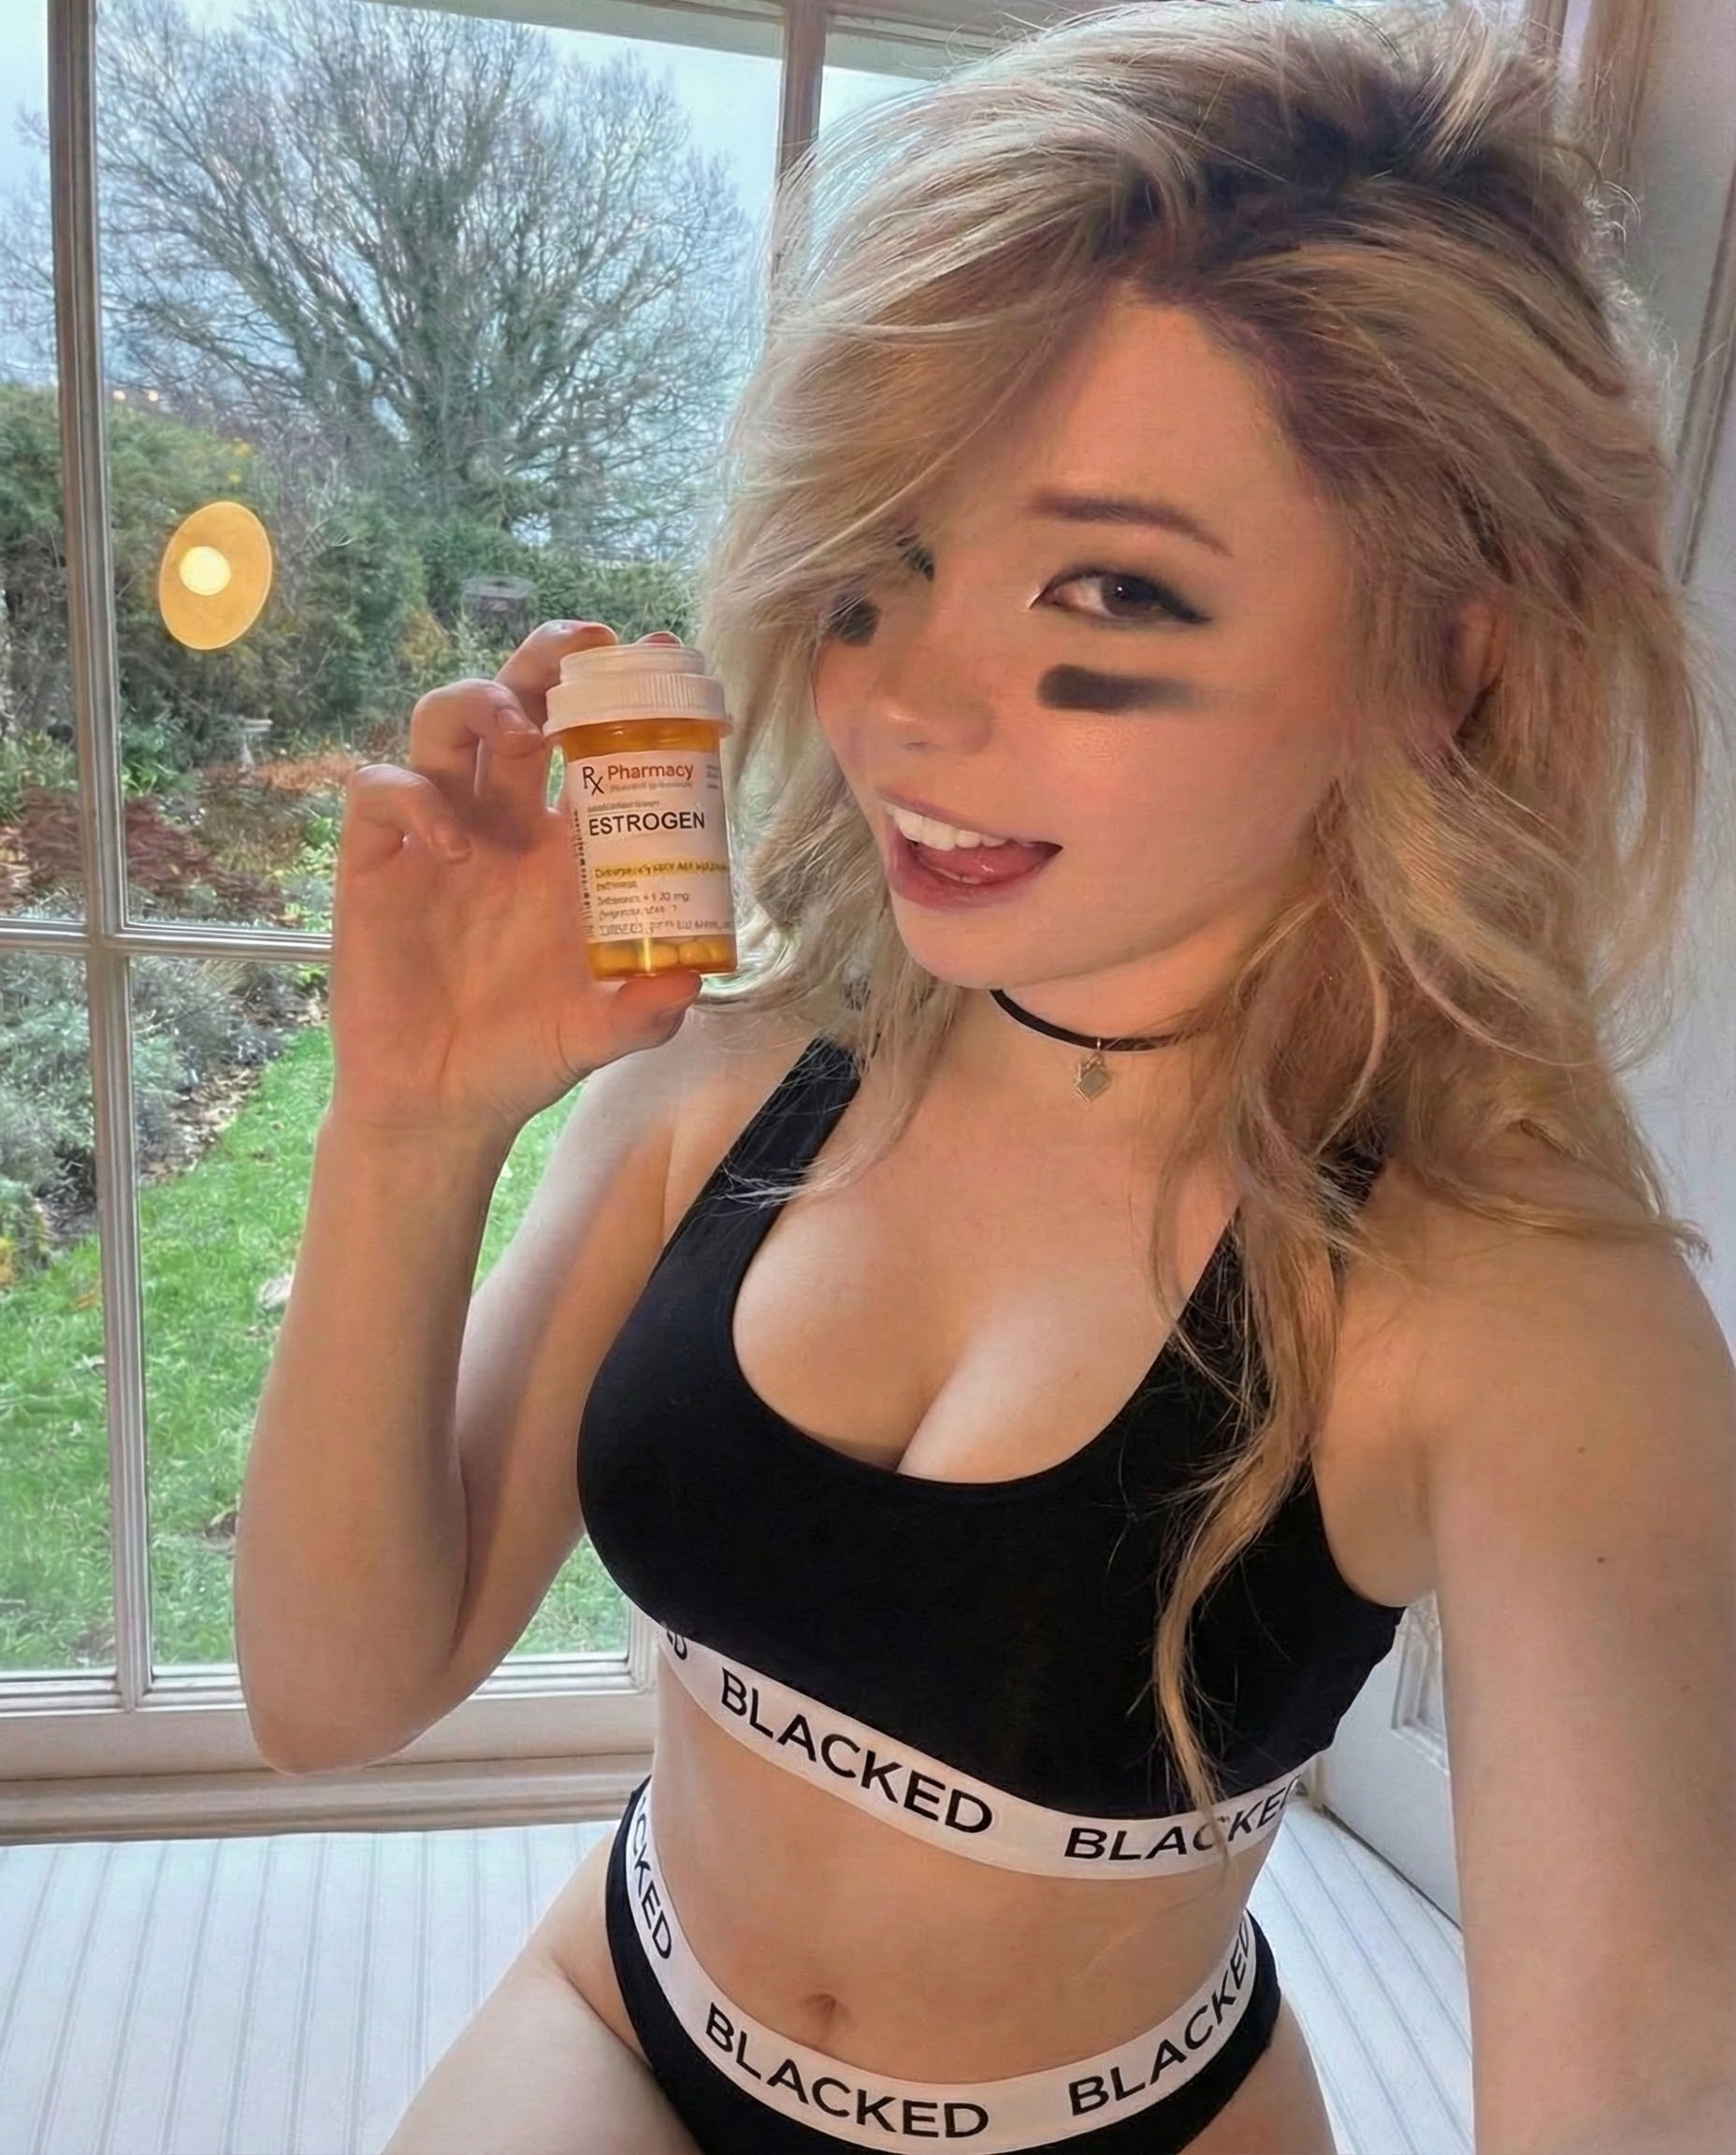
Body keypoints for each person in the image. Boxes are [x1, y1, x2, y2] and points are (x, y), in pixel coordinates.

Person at [236, 4, 1736, 2152]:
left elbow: (1646, 2084)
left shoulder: (1509, 1305)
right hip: (627, 2007)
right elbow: (331, 1695)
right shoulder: (731, 1072)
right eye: (888, 559)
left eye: (1105, 586)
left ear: (1444, 651)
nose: (909, 711)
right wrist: (410, 1121)